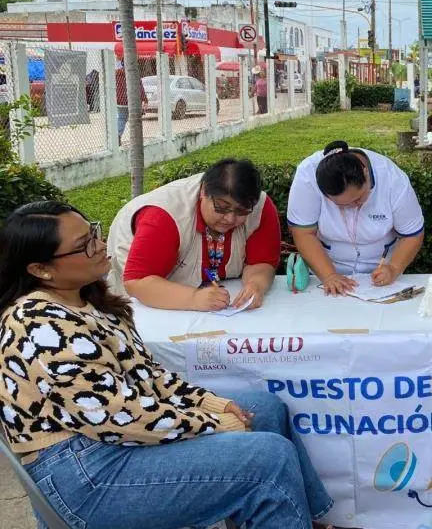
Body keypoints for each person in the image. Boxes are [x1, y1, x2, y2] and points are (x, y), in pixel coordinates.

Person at [0, 201, 333, 529]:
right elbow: (118, 417)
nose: (100, 245)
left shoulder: (88, 301)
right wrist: (212, 423)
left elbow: (149, 376)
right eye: (84, 245)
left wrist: (210, 403)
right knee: (268, 457)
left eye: (94, 233)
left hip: (109, 442)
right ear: (40, 269)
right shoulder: (38, 322)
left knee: (265, 408)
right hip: (85, 476)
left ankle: (303, 517)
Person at [107, 158, 280, 312]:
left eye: (241, 211)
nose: (230, 218)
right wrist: (194, 299)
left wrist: (256, 284)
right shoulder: (163, 217)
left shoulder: (260, 208)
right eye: (221, 207)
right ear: (204, 191)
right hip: (149, 296)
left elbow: (262, 262)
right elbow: (137, 282)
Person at [287, 140, 425, 296]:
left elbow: (412, 235)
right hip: (324, 271)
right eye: (341, 205)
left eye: (358, 199)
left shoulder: (393, 179)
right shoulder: (307, 177)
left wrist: (393, 268)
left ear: (365, 172)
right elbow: (303, 233)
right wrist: (329, 275)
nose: (353, 206)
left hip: (381, 272)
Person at [115, 62, 147, 146]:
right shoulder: (134, 73)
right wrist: (145, 99)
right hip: (133, 100)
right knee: (135, 120)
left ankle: (118, 135)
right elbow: (140, 87)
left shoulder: (116, 74)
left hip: (120, 101)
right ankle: (136, 139)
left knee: (121, 118)